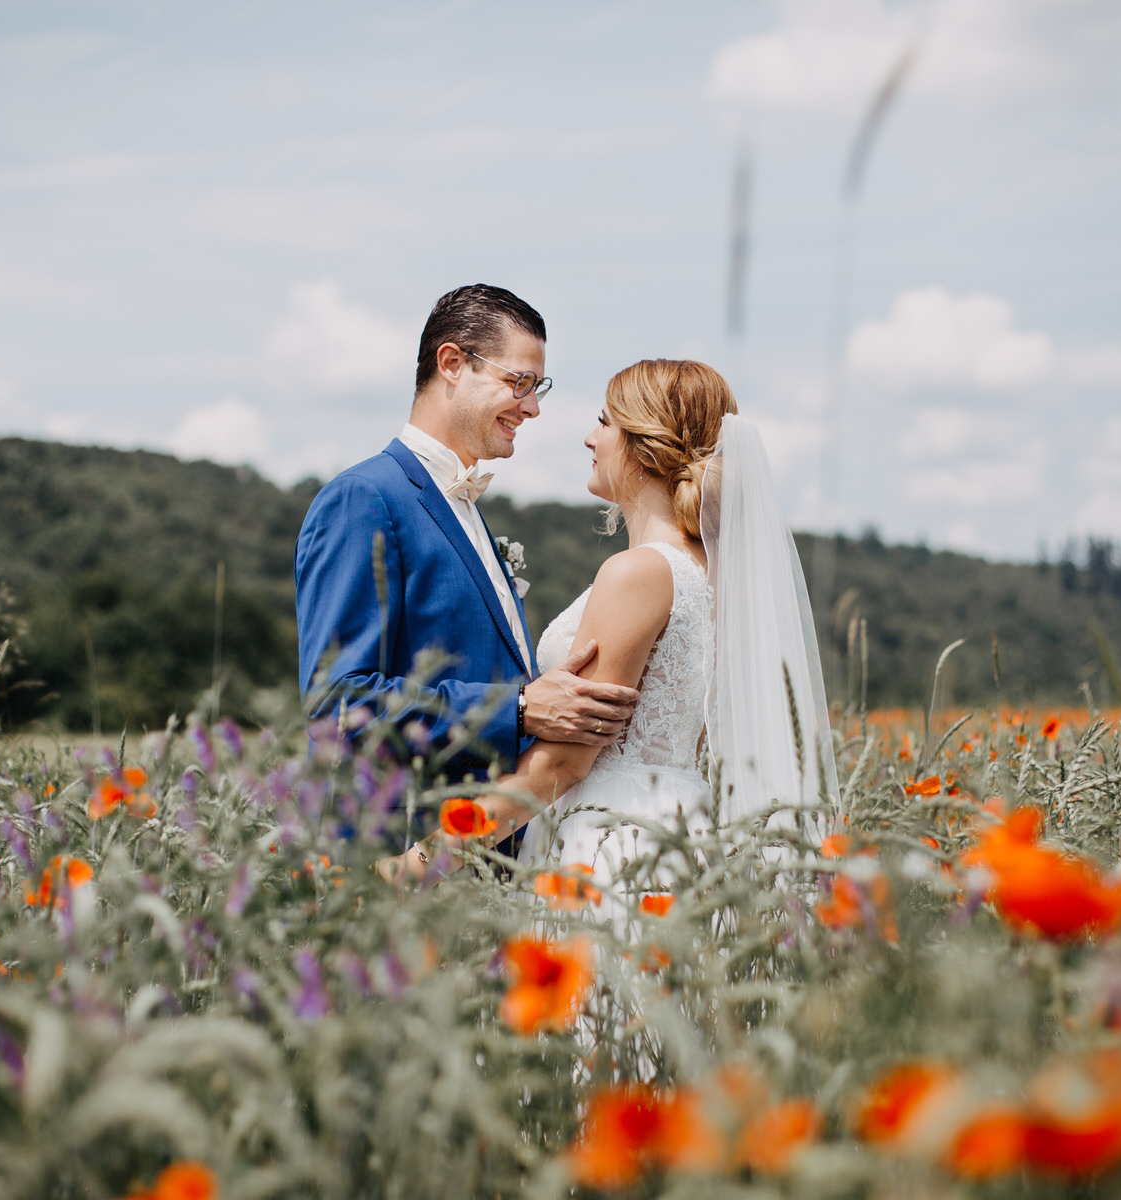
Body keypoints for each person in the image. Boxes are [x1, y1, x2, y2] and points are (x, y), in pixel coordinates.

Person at [382, 358, 835, 886]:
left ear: (645, 446)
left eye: (604, 421)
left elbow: (563, 766)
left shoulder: (638, 573)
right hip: (679, 833)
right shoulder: (715, 573)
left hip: (611, 845)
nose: (589, 438)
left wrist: (415, 865)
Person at [294, 284, 641, 844]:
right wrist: (520, 708)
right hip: (397, 860)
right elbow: (339, 706)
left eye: (538, 387)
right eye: (519, 383)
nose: (532, 407)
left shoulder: (469, 511)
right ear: (452, 363)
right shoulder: (363, 499)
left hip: (478, 866)